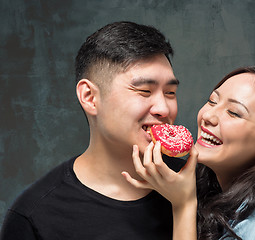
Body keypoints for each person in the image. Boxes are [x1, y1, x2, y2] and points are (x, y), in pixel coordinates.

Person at [0, 21, 185, 240]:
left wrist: (185, 203)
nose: (164, 109)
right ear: (90, 97)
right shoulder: (34, 216)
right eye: (145, 91)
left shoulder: (198, 186)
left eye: (170, 93)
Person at [123, 65, 255, 240]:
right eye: (212, 101)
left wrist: (183, 205)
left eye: (234, 112)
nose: (208, 116)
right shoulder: (217, 193)